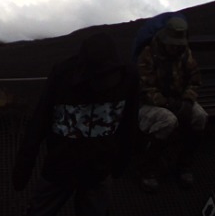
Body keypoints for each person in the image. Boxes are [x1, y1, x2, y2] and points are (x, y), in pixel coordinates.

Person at [13, 32, 140, 216]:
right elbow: (129, 124)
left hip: (85, 167)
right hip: (73, 166)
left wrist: (23, 169)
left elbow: (38, 122)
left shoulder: (127, 77)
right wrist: (121, 163)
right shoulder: (124, 77)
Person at [135, 16, 207, 192]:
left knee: (200, 117)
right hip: (149, 104)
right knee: (168, 120)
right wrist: (168, 104)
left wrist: (188, 101)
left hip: (178, 99)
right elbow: (145, 88)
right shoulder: (148, 54)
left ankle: (184, 165)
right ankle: (148, 169)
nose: (175, 47)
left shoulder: (184, 53)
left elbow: (195, 79)